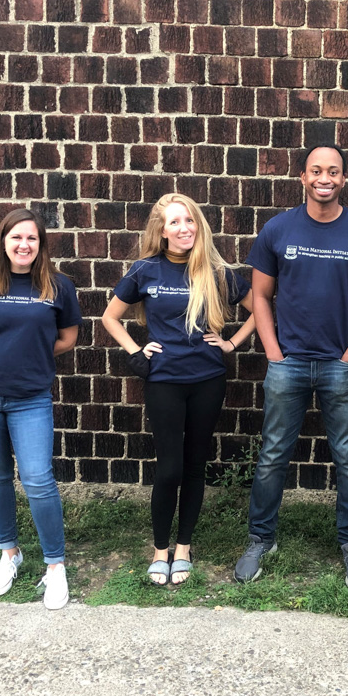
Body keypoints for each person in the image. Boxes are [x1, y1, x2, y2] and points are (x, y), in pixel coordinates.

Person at [234, 144, 348, 589]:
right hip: (289, 364)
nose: (325, 178)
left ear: (344, 179)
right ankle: (260, 539)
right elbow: (260, 295)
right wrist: (272, 351)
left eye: (334, 171)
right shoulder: (278, 228)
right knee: (271, 457)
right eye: (316, 170)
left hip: (340, 365)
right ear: (302, 176)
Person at [101, 194, 256, 586]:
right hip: (164, 381)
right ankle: (159, 550)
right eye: (174, 222)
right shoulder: (145, 270)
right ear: (162, 230)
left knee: (195, 465)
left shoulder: (216, 271)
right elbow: (110, 317)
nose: (184, 228)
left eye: (189, 220)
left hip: (207, 379)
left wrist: (231, 343)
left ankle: (184, 547)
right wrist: (137, 350)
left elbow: (262, 309)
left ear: (197, 224)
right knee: (169, 468)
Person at [0, 208, 81, 610]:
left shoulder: (57, 286)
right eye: (16, 238)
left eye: (32, 238)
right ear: (3, 242)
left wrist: (30, 357)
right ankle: (9, 554)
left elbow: (68, 337)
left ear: (40, 245)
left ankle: (55, 567)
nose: (24, 245)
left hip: (30, 398)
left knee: (39, 479)